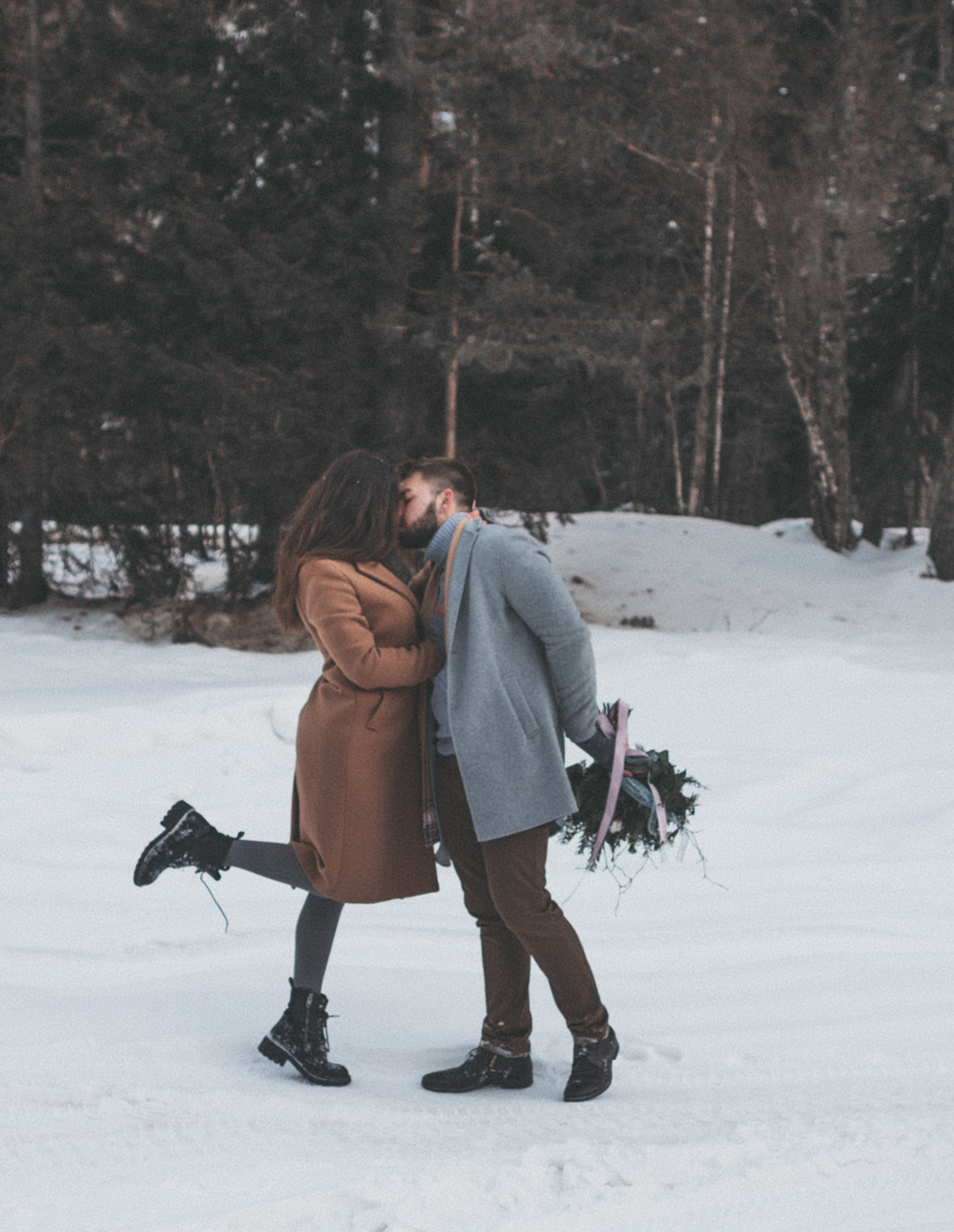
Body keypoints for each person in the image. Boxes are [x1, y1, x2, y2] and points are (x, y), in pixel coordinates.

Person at [131, 451, 443, 1087]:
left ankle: (297, 1024)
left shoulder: (370, 563)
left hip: (377, 738)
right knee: (331, 870)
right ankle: (205, 843)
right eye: (392, 501)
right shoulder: (322, 573)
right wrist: (435, 658)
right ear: (365, 504)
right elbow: (362, 664)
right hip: (350, 737)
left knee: (332, 881)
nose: (398, 513)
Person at [398, 457, 621, 1103]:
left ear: (445, 501)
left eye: (405, 496)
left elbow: (567, 635)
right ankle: (505, 1046)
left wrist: (585, 728)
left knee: (523, 902)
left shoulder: (498, 549)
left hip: (508, 759)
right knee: (489, 911)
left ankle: (593, 1034)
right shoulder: (432, 569)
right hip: (452, 764)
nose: (395, 509)